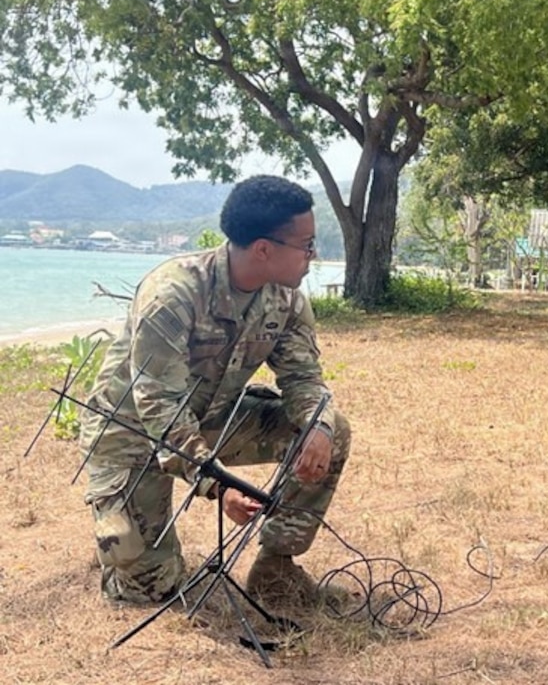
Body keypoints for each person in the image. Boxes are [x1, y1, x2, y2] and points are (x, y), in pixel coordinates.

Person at [79, 175, 351, 605]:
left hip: (212, 419)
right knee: (151, 590)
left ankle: (276, 567)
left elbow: (302, 378)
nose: (312, 257)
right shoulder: (174, 293)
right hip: (131, 435)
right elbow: (160, 407)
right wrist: (218, 486)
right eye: (307, 245)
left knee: (328, 431)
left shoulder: (288, 299)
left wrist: (318, 425)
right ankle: (122, 541)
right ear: (264, 249)